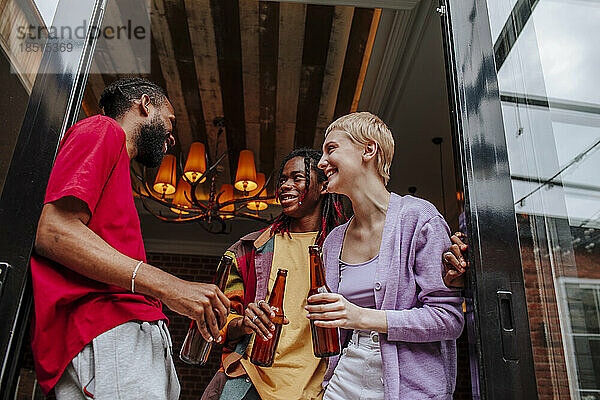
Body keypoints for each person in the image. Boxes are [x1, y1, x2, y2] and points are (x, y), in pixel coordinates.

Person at [31, 77, 230, 400]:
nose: (172, 139)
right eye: (170, 121)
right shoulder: (103, 129)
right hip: (109, 329)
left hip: (121, 336)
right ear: (144, 104)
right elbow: (54, 231)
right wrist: (172, 287)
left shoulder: (117, 164)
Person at [308, 112, 465, 400]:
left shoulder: (419, 220)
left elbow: (448, 320)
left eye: (331, 149)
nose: (320, 162)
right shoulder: (332, 242)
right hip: (344, 382)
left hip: (410, 389)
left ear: (368, 150)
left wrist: (360, 317)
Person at [201, 148, 348, 400]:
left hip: (323, 388)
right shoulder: (247, 251)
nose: (285, 185)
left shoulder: (347, 249)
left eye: (297, 178)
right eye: (282, 179)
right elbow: (217, 321)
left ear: (323, 187)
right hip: (252, 383)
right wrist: (243, 323)